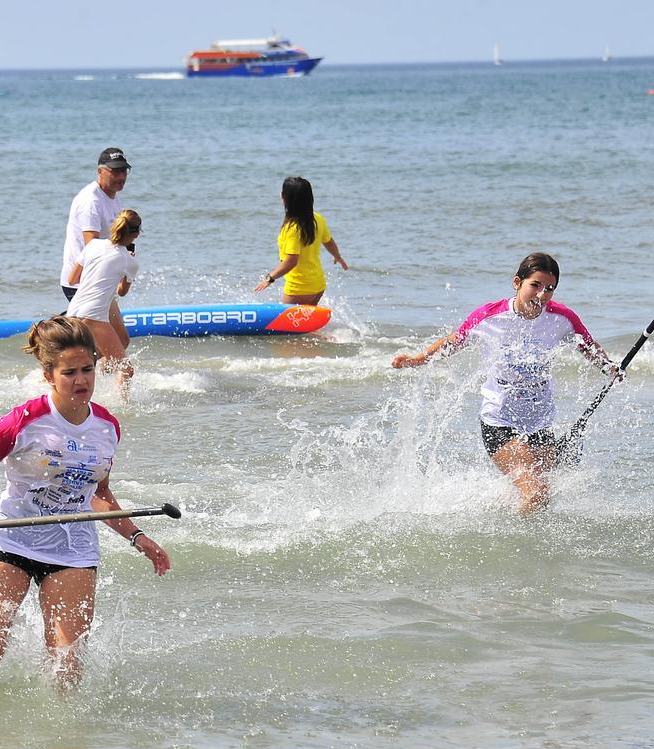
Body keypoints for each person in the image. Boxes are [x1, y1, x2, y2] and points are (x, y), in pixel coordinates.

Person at [0, 316, 170, 688]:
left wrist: (138, 537)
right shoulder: (24, 421)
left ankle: (61, 745)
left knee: (67, 673)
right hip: (12, 540)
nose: (81, 380)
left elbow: (98, 494)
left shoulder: (107, 427)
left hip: (73, 550)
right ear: (49, 375)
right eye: (70, 373)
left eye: (88, 369)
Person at [391, 253, 621, 513]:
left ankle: (504, 523)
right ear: (517, 283)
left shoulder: (563, 318)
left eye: (550, 289)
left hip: (540, 422)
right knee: (536, 493)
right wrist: (417, 359)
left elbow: (588, 346)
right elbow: (454, 342)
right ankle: (514, 548)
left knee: (540, 495)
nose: (542, 295)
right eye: (535, 285)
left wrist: (608, 367)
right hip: (499, 422)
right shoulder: (490, 316)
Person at [61, 147, 133, 347]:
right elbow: (91, 246)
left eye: (124, 171)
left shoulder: (111, 195)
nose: (121, 176)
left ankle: (90, 375)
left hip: (99, 280)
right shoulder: (91, 201)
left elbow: (114, 238)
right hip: (82, 283)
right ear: (100, 171)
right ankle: (73, 373)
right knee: (112, 343)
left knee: (119, 341)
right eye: (115, 171)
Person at [66, 210, 141, 394]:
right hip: (93, 315)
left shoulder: (93, 246)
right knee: (126, 369)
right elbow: (121, 292)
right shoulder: (129, 261)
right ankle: (121, 409)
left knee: (83, 359)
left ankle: (98, 384)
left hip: (73, 311)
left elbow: (72, 279)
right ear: (136, 234)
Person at [253, 176, 348, 306]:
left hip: (299, 289)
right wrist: (338, 256)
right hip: (318, 285)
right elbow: (329, 242)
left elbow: (291, 261)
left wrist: (270, 278)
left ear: (285, 198)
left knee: (284, 326)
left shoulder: (292, 228)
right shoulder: (317, 219)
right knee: (305, 325)